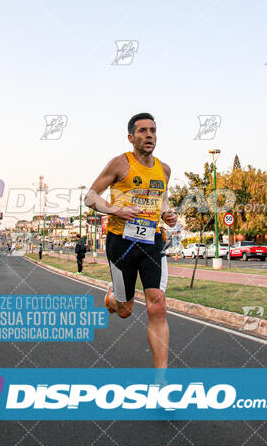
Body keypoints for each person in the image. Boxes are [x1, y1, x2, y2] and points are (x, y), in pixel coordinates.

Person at [84, 113, 177, 368]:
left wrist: (167, 214)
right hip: (121, 243)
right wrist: (115, 210)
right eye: (143, 131)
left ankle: (161, 381)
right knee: (125, 311)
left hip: (152, 241)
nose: (149, 135)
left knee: (157, 307)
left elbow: (162, 200)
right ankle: (112, 298)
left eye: (153, 131)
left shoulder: (164, 169)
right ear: (131, 137)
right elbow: (90, 197)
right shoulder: (119, 164)